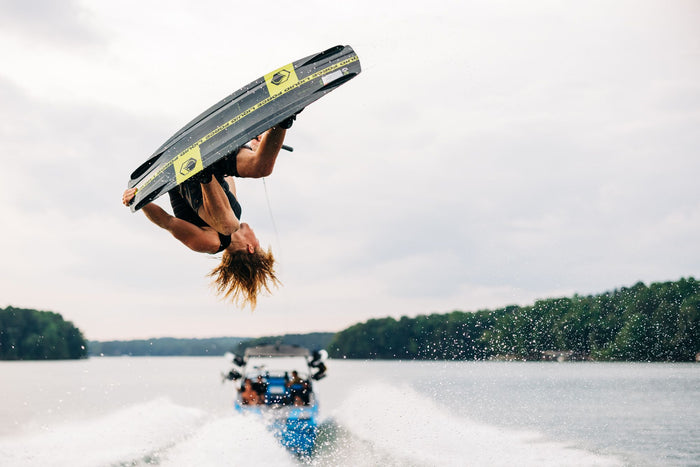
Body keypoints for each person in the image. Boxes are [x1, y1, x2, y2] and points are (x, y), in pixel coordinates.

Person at [122, 115, 297, 308]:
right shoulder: (234, 211)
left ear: (251, 247)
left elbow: (167, 222)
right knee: (260, 169)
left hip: (185, 177)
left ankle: (201, 172)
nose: (256, 236)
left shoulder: (211, 242)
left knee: (228, 226)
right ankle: (284, 120)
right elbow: (231, 174)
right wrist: (257, 146)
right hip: (213, 161)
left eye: (258, 242)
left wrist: (139, 201)